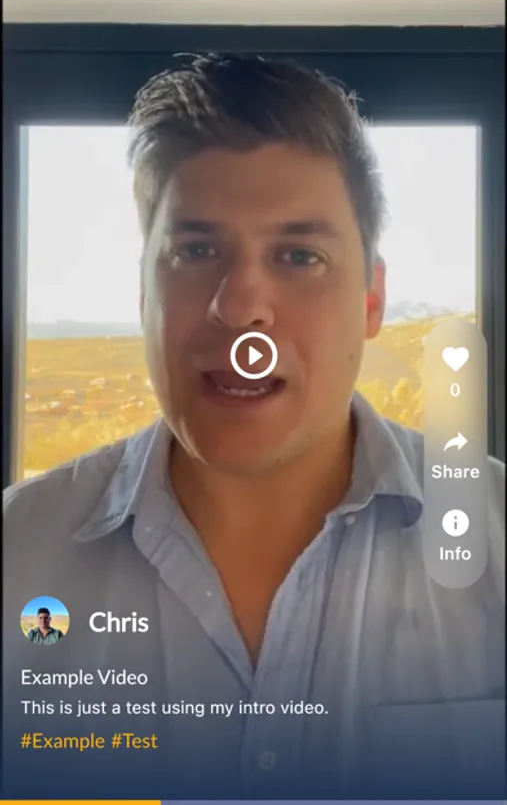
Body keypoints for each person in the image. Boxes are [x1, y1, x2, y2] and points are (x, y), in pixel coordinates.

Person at [3, 54, 505, 799]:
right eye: (197, 251)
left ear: (371, 301)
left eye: (299, 256)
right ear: (142, 293)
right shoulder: (17, 556)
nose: (240, 309)